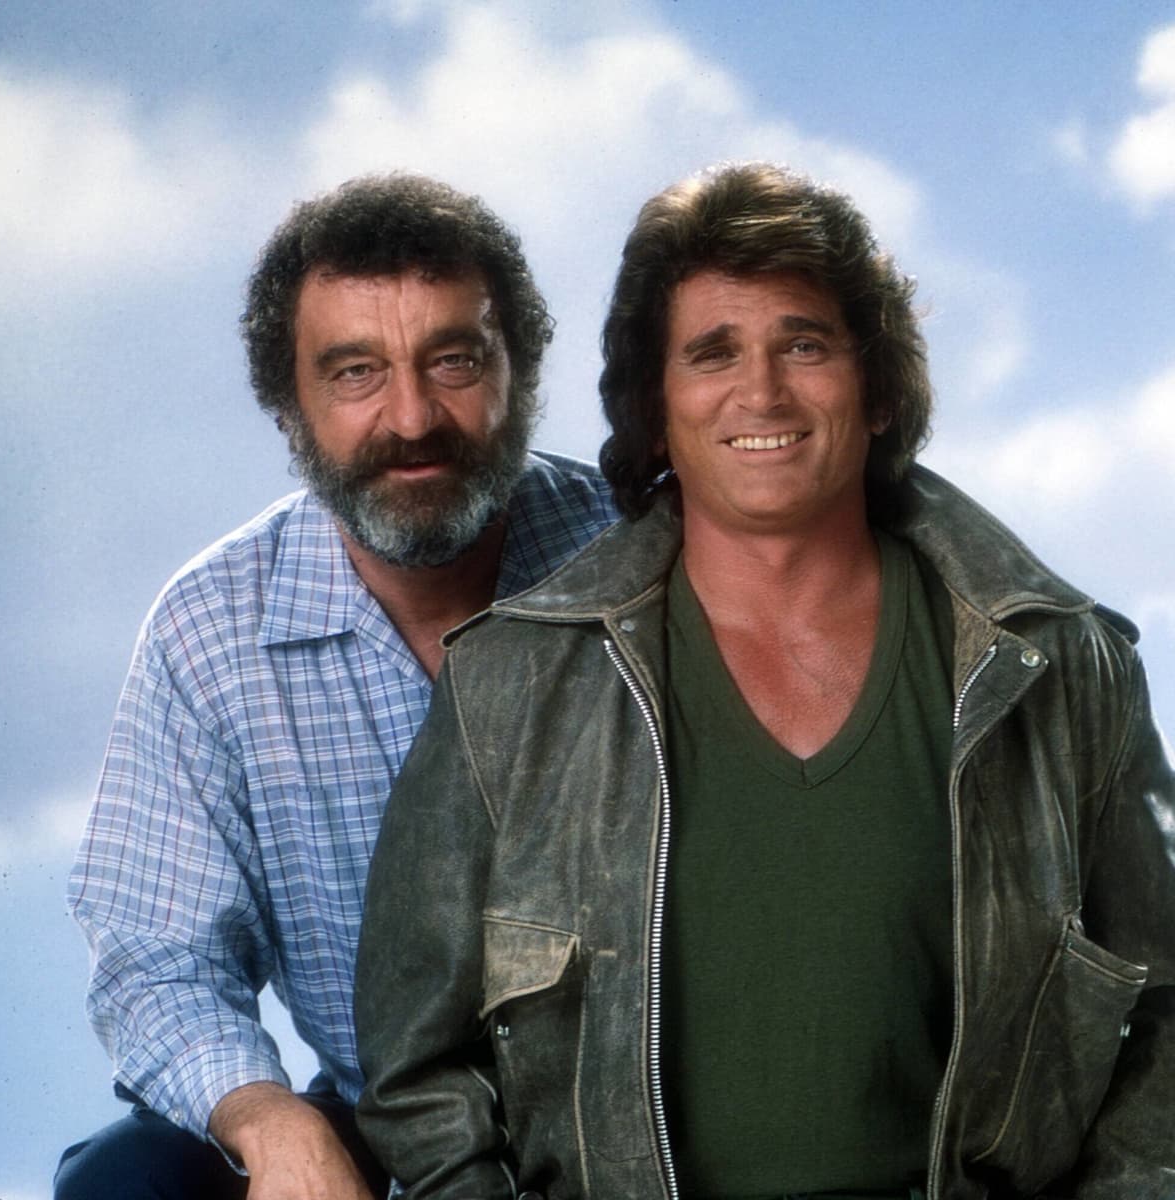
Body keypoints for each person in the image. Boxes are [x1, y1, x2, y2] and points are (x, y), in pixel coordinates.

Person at [354, 162, 1175, 1199]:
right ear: (655, 411)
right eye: (713, 353)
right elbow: (418, 1078)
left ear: (878, 391)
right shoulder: (508, 685)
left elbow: (1163, 1024)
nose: (763, 392)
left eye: (805, 344)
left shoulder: (1061, 665)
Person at [55, 173, 618, 1200]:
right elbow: (157, 958)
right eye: (356, 371)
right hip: (385, 1126)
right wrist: (270, 1122)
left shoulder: (639, 555)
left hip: (634, 1117)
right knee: (125, 1178)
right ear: (289, 406)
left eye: (453, 360)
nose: (412, 415)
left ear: (522, 372)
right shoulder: (212, 630)